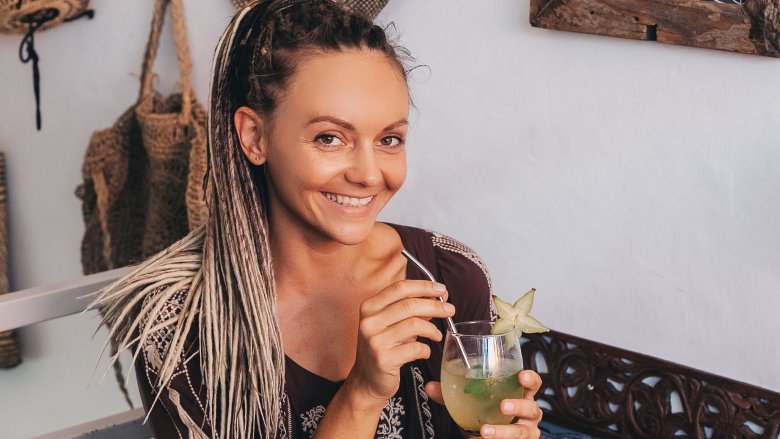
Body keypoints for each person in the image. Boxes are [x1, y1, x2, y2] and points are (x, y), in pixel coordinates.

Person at [94, 1, 544, 438]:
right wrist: (362, 394)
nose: (368, 174)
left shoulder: (451, 275)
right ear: (254, 136)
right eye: (329, 137)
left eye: (390, 139)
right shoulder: (178, 324)